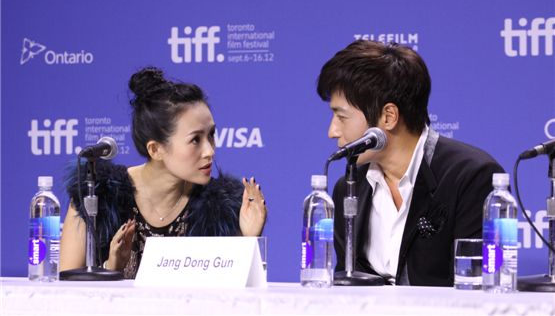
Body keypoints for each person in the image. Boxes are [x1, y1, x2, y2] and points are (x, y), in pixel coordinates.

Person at [316, 40, 503, 286]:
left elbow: (483, 288)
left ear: (388, 116)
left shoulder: (472, 178)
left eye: (341, 116)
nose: (332, 131)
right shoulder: (349, 188)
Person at [60, 67, 267, 278]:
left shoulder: (219, 208)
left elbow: (231, 301)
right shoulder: (96, 194)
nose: (210, 151)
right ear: (155, 149)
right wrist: (112, 270)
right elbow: (64, 295)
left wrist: (248, 239)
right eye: (195, 139)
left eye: (211, 135)